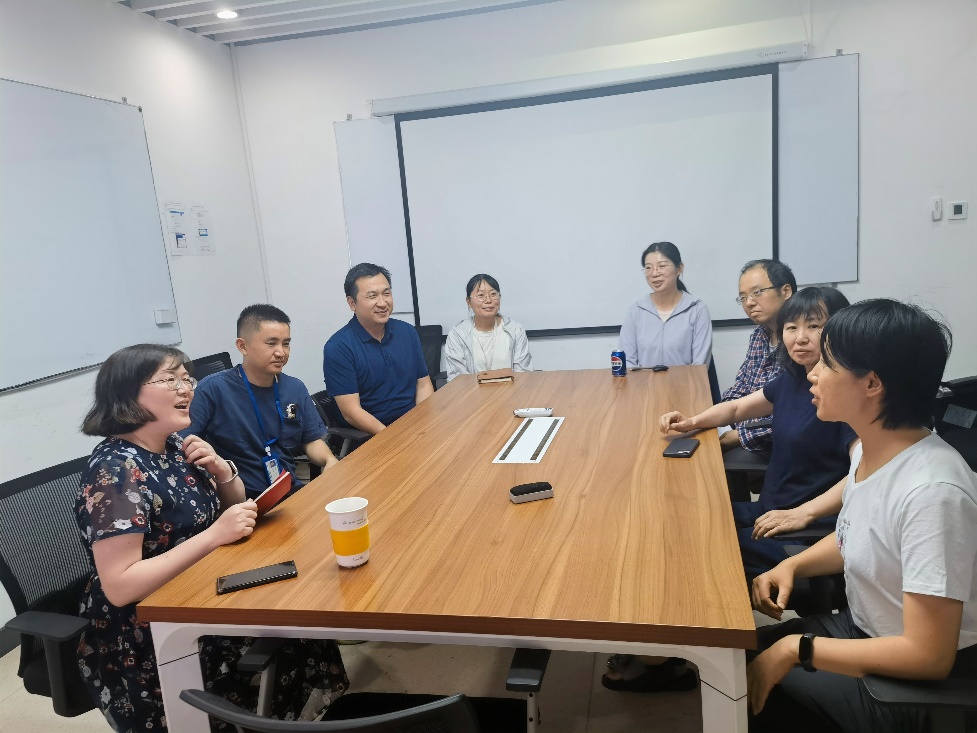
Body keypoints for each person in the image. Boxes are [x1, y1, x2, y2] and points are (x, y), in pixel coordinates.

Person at [76, 344, 348, 732]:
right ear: (126, 395)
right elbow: (121, 587)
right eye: (169, 379)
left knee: (299, 608)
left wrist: (223, 472)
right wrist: (214, 536)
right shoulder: (116, 473)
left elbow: (231, 504)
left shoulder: (173, 446)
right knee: (282, 628)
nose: (185, 388)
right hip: (150, 625)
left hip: (201, 582)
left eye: (186, 378)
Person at [747, 300, 977, 732]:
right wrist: (792, 565)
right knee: (741, 653)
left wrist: (799, 649)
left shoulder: (933, 493)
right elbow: (860, 535)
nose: (812, 373)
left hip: (915, 682)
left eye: (827, 363)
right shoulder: (874, 451)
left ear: (871, 383)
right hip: (863, 628)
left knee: (754, 691)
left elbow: (928, 655)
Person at [660, 287, 857, 579]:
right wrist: (692, 421)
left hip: (802, 529)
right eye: (791, 327)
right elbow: (737, 408)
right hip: (768, 510)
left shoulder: (845, 396)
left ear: (840, 329)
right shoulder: (792, 379)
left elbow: (864, 473)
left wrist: (804, 514)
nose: (800, 337)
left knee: (698, 547)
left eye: (814, 326)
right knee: (684, 519)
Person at [185, 304, 337, 499]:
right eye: (271, 343)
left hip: (288, 492)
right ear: (242, 346)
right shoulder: (212, 389)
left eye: (286, 344)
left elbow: (311, 440)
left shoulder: (295, 387)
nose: (281, 352)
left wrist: (329, 460)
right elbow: (185, 445)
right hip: (239, 501)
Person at [323, 263, 433, 435]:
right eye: (372, 296)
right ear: (352, 303)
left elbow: (423, 385)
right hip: (374, 434)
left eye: (386, 293)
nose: (382, 303)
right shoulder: (338, 347)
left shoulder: (407, 332)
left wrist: (422, 424)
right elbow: (351, 412)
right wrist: (391, 436)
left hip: (413, 424)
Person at [719, 259, 797, 455]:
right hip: (745, 430)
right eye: (743, 297)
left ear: (786, 291)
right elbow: (741, 385)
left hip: (778, 445)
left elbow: (796, 412)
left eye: (757, 292)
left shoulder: (801, 342)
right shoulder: (759, 335)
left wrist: (740, 436)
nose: (749, 303)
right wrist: (722, 414)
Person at [618, 242, 712, 368]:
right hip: (645, 381)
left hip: (686, 381)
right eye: (648, 268)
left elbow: (700, 366)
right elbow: (627, 362)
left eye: (661, 266)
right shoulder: (636, 311)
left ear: (679, 268)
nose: (654, 273)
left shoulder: (697, 309)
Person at [444, 273, 534, 381]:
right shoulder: (458, 334)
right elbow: (458, 379)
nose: (488, 300)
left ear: (500, 298)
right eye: (481, 295)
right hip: (471, 392)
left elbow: (523, 374)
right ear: (468, 302)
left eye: (493, 294)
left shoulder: (515, 330)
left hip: (511, 390)